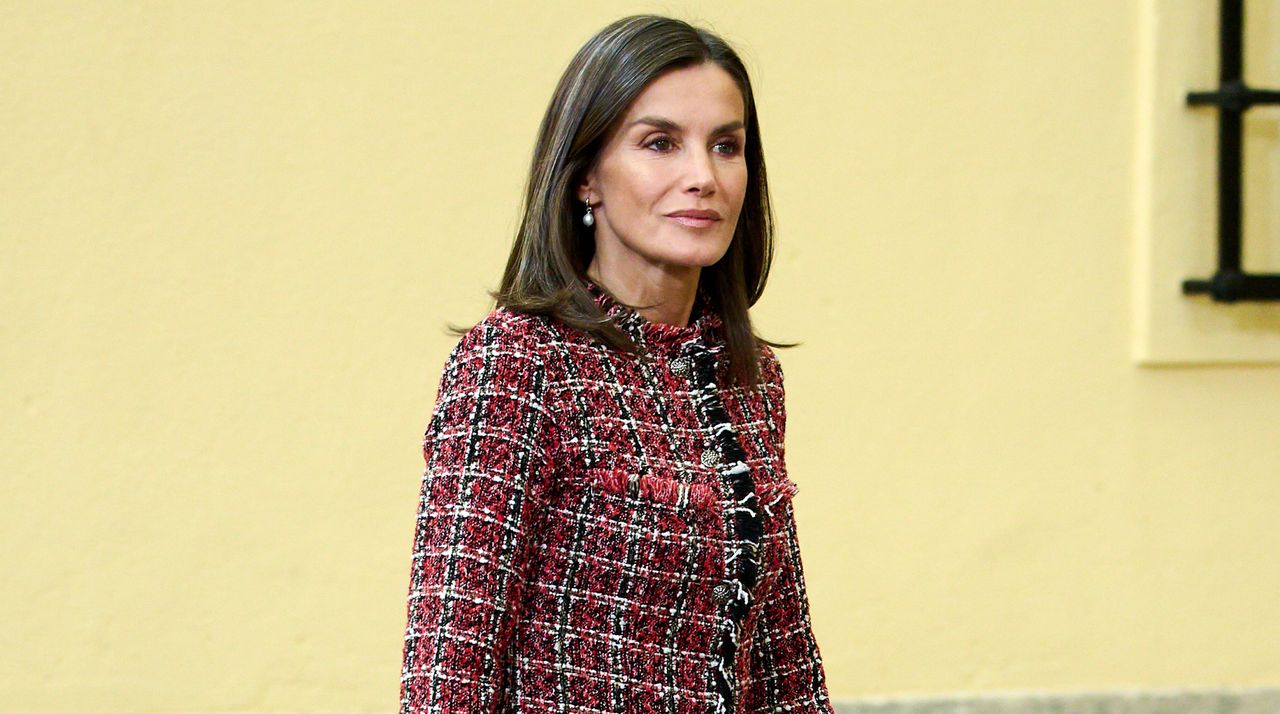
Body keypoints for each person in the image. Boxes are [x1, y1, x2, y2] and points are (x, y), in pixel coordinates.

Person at [399, 14, 834, 713]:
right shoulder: (518, 360)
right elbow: (451, 665)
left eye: (726, 146)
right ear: (585, 180)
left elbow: (785, 661)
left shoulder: (748, 378)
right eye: (660, 143)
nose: (703, 176)